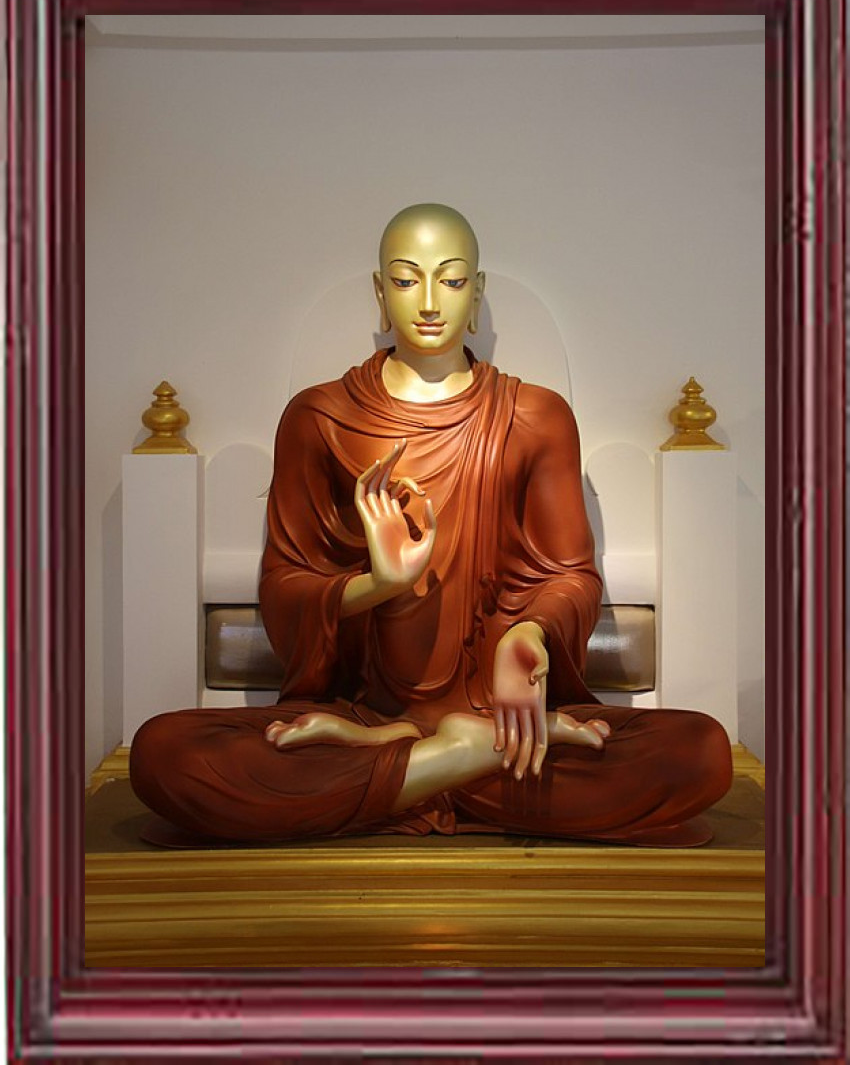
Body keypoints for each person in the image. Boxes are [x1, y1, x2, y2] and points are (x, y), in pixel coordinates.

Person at [130, 203, 732, 847]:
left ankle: (413, 769)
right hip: (361, 715)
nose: (427, 302)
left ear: (477, 291)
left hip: (503, 719)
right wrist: (377, 585)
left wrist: (527, 635)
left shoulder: (535, 416)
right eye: (404, 278)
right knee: (164, 754)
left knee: (698, 750)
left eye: (450, 279)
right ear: (379, 291)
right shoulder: (318, 417)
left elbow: (571, 577)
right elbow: (284, 589)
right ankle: (454, 758)